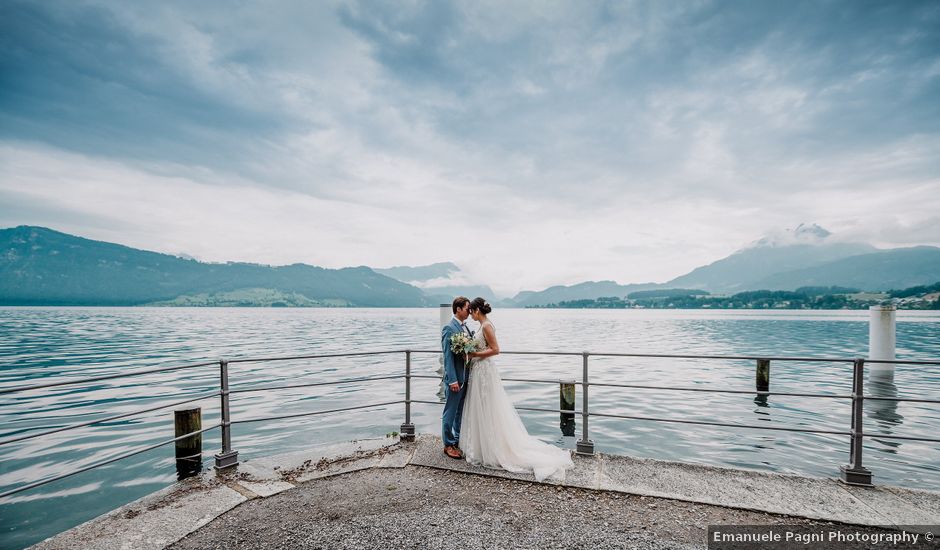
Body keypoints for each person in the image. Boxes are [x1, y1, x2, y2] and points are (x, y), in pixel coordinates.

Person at [460, 297, 573, 481]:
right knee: (482, 408)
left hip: (485, 371)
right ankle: (482, 446)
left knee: (488, 408)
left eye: (471, 311)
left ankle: (494, 449)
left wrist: (473, 354)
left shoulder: (487, 326)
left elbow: (496, 349)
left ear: (476, 311)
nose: (470, 315)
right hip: (479, 371)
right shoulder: (482, 325)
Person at [441, 296, 472, 459]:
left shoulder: (465, 328)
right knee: (450, 412)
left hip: (465, 377)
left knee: (460, 412)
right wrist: (452, 380)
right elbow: (447, 357)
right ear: (458, 309)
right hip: (455, 380)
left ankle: (458, 440)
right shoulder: (449, 328)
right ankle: (448, 444)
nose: (469, 311)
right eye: (467, 308)